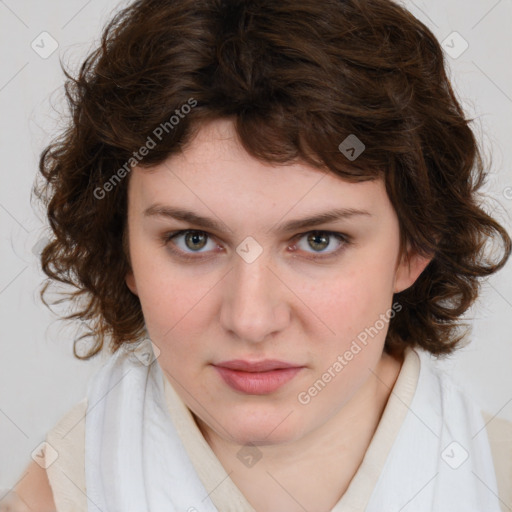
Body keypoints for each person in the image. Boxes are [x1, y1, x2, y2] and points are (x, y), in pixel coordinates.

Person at [3, 0, 511, 510]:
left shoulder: (497, 478)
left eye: (318, 241)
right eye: (193, 240)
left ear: (413, 248)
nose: (250, 320)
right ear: (123, 251)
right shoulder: (54, 495)